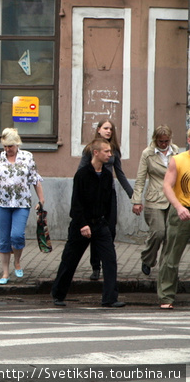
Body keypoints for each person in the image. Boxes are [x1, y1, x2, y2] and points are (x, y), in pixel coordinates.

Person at [51, 138, 124, 308]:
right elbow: (76, 203)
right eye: (106, 151)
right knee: (70, 260)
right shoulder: (82, 174)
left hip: (100, 225)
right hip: (81, 225)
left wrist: (107, 223)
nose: (110, 155)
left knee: (110, 260)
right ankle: (58, 294)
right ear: (96, 153)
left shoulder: (106, 175)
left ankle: (110, 298)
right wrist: (83, 224)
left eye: (110, 151)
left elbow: (108, 201)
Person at [0, 128, 44, 284]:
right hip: (2, 202)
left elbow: (35, 179)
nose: (7, 149)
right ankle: (5, 273)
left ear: (17, 144)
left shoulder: (27, 157)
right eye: (5, 146)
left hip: (22, 202)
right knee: (4, 239)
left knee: (17, 235)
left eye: (10, 146)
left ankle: (17, 261)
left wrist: (41, 199)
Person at [79, 119, 133, 280]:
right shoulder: (90, 150)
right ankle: (96, 267)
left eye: (111, 128)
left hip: (109, 194)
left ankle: (107, 263)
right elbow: (81, 171)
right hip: (93, 196)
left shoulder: (113, 151)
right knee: (96, 231)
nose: (109, 131)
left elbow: (120, 174)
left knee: (110, 230)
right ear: (98, 130)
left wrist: (133, 195)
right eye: (106, 128)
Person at [132, 125, 179, 278]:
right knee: (158, 232)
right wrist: (137, 200)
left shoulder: (176, 151)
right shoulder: (148, 153)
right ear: (155, 139)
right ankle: (147, 259)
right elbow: (140, 179)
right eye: (161, 141)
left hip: (173, 198)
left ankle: (166, 270)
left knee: (170, 236)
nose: (164, 144)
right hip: (155, 198)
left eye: (166, 141)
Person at [157, 127, 190, 309]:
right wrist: (178, 207)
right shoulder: (177, 161)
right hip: (182, 212)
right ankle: (166, 296)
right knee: (172, 255)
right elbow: (167, 187)